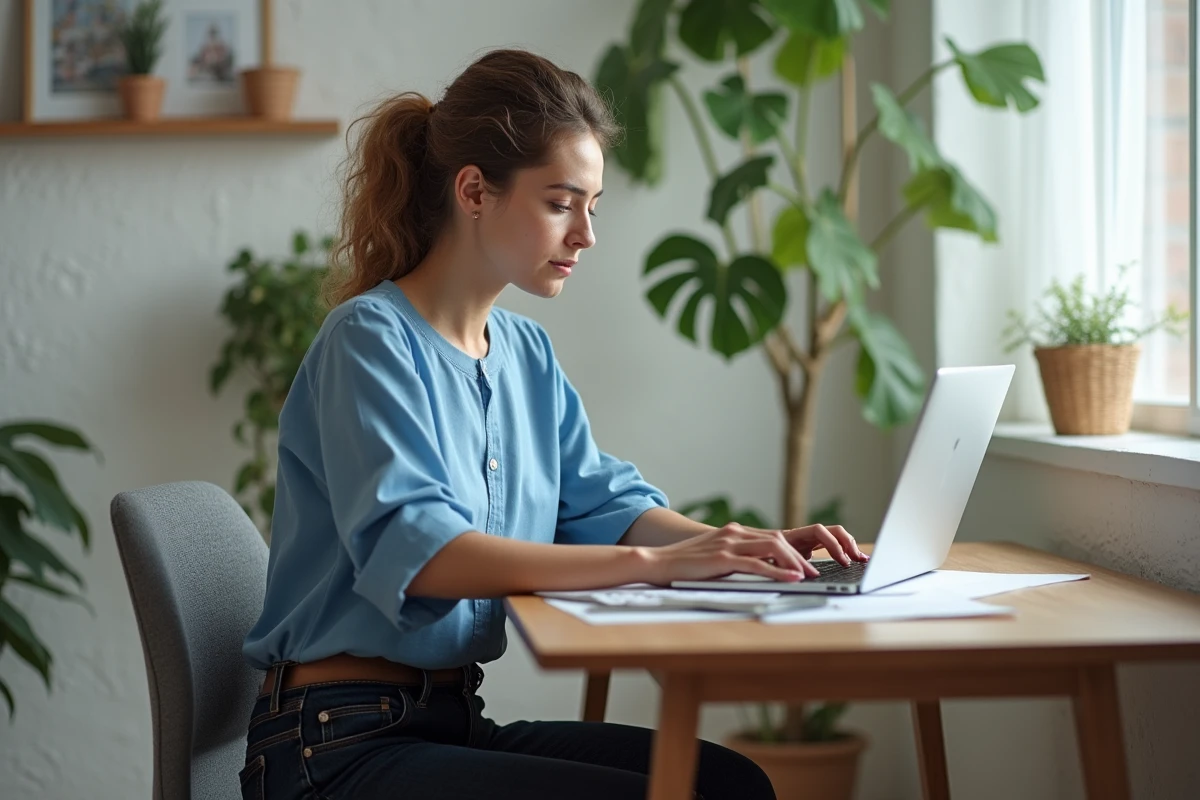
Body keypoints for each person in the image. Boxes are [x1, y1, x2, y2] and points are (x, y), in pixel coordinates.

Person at [238, 47, 868, 800]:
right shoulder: (368, 340)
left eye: (592, 207)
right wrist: (658, 566)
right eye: (560, 202)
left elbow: (607, 505)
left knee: (730, 783)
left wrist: (734, 547)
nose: (585, 235)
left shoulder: (527, 353)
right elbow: (424, 553)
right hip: (334, 746)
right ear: (474, 191)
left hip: (449, 718)